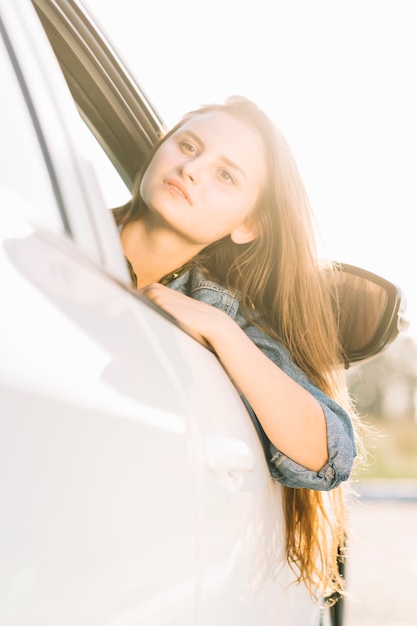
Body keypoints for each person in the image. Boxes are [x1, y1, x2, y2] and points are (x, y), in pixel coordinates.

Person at [113, 95, 365, 602]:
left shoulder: (216, 310)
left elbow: (330, 452)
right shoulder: (47, 222)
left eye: (226, 175)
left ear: (247, 225)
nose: (192, 168)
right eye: (187, 145)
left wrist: (220, 333)